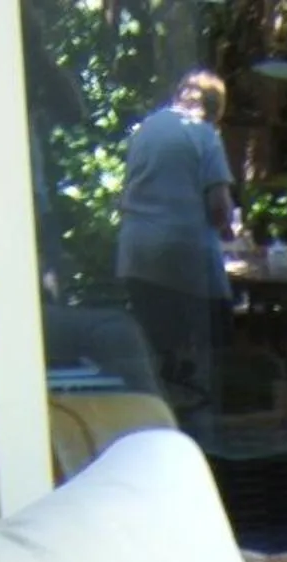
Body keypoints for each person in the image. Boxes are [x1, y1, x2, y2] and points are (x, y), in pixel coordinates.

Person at [116, 70, 237, 427]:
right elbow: (219, 206)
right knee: (209, 337)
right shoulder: (203, 134)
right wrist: (228, 228)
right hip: (181, 255)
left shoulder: (146, 129)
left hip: (137, 252)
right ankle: (199, 421)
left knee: (154, 344)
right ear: (215, 109)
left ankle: (152, 420)